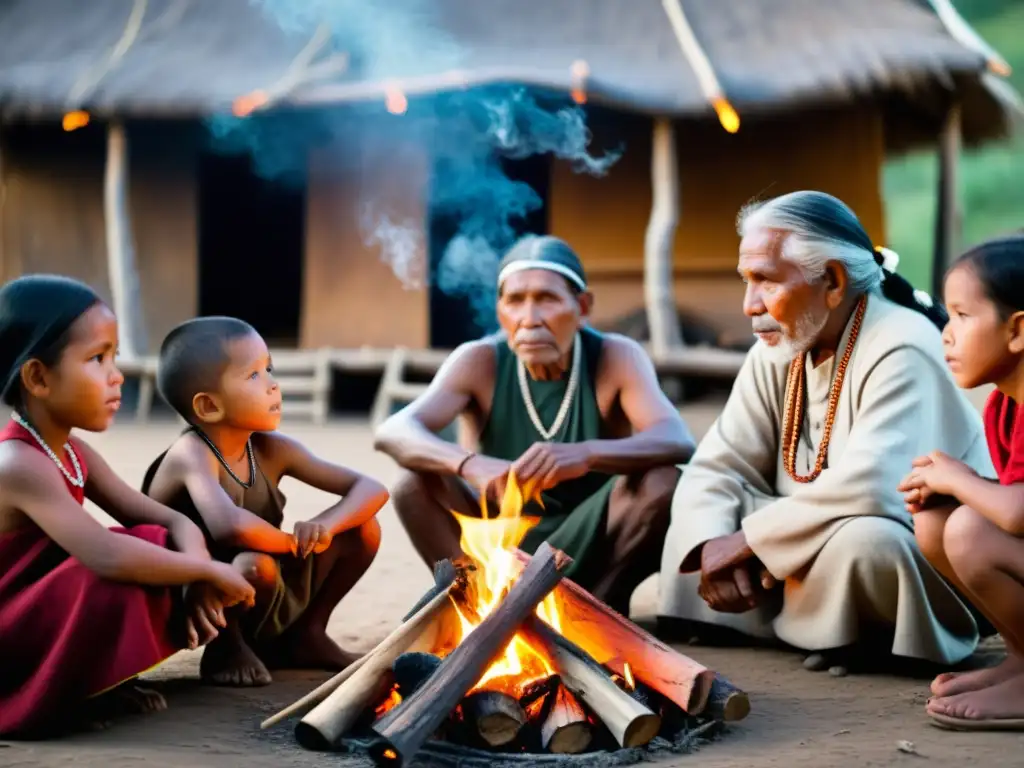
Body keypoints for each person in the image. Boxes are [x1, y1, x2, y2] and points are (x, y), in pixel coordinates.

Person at [657, 190, 993, 676]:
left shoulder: (904, 343)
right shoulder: (780, 344)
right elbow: (721, 462)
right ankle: (815, 620)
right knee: (699, 497)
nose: (750, 305)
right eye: (745, 281)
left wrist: (750, 542)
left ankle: (821, 621)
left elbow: (873, 486)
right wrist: (710, 543)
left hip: (912, 545)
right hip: (808, 532)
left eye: (765, 281)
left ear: (832, 281)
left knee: (868, 544)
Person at [374, 235, 694, 616]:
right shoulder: (480, 360)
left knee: (663, 482)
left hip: (594, 536)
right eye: (515, 300)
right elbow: (394, 430)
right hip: (503, 537)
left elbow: (676, 438)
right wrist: (470, 465)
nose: (530, 318)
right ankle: (476, 604)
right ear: (500, 311)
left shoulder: (616, 356)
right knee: (413, 482)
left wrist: (586, 454)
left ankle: (599, 609)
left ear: (582, 306)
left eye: (547, 299)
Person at [0, 275, 256, 738]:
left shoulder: (74, 453)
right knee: (114, 567)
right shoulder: (17, 462)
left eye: (114, 357)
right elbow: (105, 555)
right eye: (97, 358)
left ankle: (104, 680)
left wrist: (195, 569)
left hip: (39, 619)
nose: (116, 375)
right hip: (10, 635)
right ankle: (66, 694)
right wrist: (207, 573)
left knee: (155, 544)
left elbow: (169, 519)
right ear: (38, 377)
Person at [142, 317, 388, 687]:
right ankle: (226, 646)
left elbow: (372, 488)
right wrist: (293, 544)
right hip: (194, 592)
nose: (274, 385)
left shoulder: (271, 449)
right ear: (208, 406)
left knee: (362, 528)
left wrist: (326, 527)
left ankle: (307, 634)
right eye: (254, 375)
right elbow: (230, 526)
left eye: (269, 368)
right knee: (257, 564)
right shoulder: (191, 454)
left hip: (257, 580)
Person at [901, 234, 1024, 730]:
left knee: (970, 529)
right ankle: (1021, 656)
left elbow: (1017, 513)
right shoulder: (1003, 407)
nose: (946, 335)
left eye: (963, 316)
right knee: (937, 520)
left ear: (1017, 331)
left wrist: (957, 478)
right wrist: (960, 484)